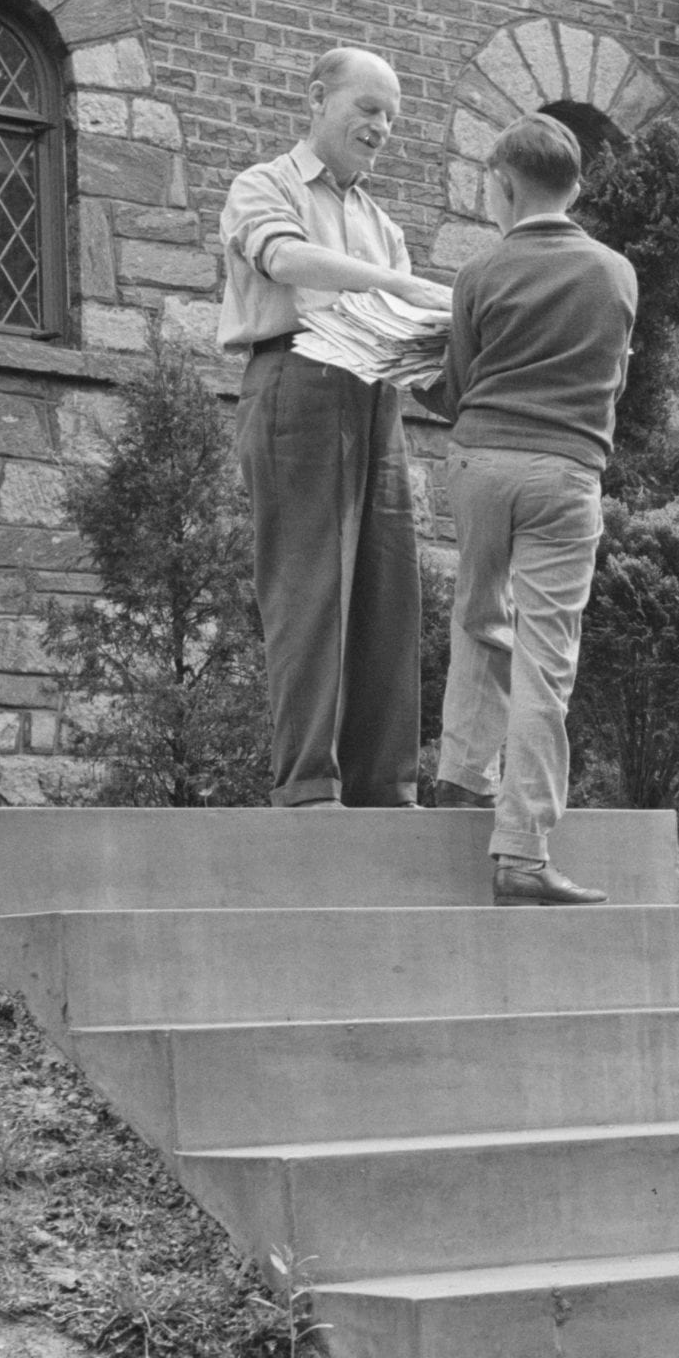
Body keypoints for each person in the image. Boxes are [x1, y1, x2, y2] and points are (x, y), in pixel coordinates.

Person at [220, 48, 450, 809]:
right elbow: (284, 259)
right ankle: (309, 788)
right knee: (309, 587)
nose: (381, 127)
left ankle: (386, 786)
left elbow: (411, 329)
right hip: (297, 384)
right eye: (368, 108)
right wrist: (395, 284)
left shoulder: (380, 223)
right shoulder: (264, 186)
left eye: (391, 117)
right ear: (319, 99)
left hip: (376, 397)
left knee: (389, 593)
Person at [431, 111, 637, 905]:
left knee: (479, 616)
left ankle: (458, 778)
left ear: (505, 185)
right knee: (546, 661)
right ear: (576, 187)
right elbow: (613, 379)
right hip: (566, 472)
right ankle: (520, 851)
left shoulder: (478, 275)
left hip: (480, 463)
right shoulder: (615, 273)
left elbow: (454, 388)